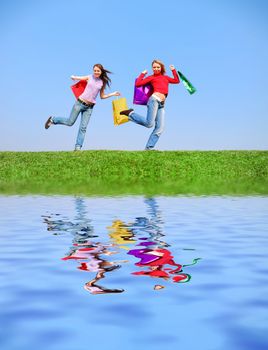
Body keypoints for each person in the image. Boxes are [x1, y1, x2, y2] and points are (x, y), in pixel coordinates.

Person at [45, 64, 120, 151]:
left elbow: (102, 96)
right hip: (79, 103)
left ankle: (78, 147)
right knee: (70, 122)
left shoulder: (102, 82)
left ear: (101, 71)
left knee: (83, 127)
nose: (96, 72)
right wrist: (74, 77)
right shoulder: (90, 77)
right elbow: (80, 78)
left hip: (89, 108)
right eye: (94, 70)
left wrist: (113, 94)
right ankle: (53, 120)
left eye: (98, 71)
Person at [120, 59, 180, 150]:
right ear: (152, 68)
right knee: (149, 124)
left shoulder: (166, 77)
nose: (156, 69)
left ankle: (149, 148)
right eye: (154, 67)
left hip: (162, 104)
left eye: (158, 67)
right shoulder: (151, 77)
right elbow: (138, 84)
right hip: (154, 100)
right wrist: (142, 74)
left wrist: (173, 70)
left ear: (161, 67)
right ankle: (131, 113)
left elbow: (176, 81)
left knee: (160, 128)